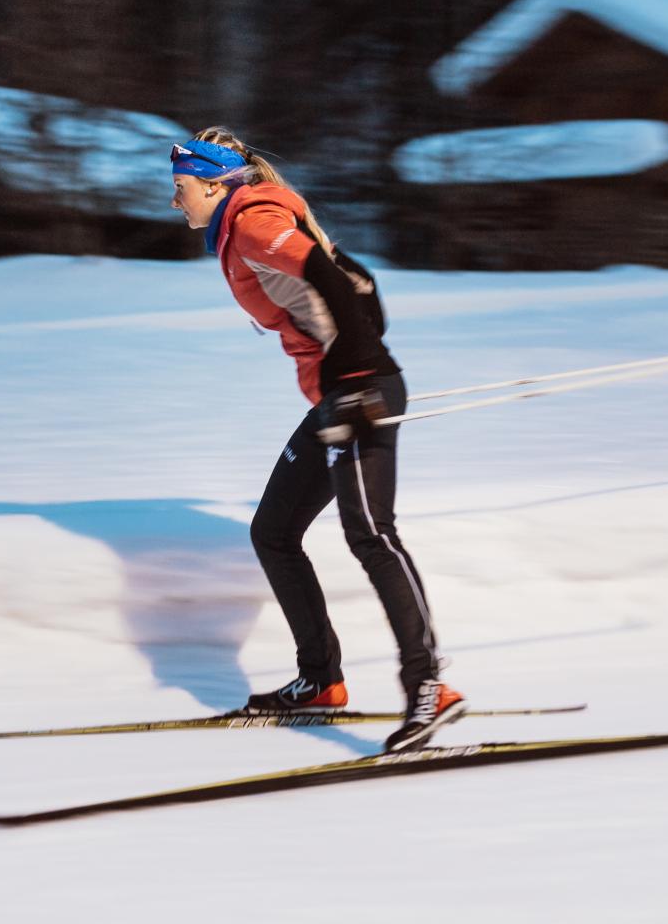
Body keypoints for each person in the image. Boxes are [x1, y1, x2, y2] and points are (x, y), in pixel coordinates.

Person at [167, 126, 464, 754]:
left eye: (182, 188)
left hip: (358, 393)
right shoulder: (254, 219)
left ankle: (428, 688)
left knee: (371, 535)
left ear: (216, 184)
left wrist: (357, 377)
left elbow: (330, 276)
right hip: (341, 393)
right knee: (272, 531)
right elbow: (359, 281)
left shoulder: (251, 222)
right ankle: (321, 681)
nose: (176, 201)